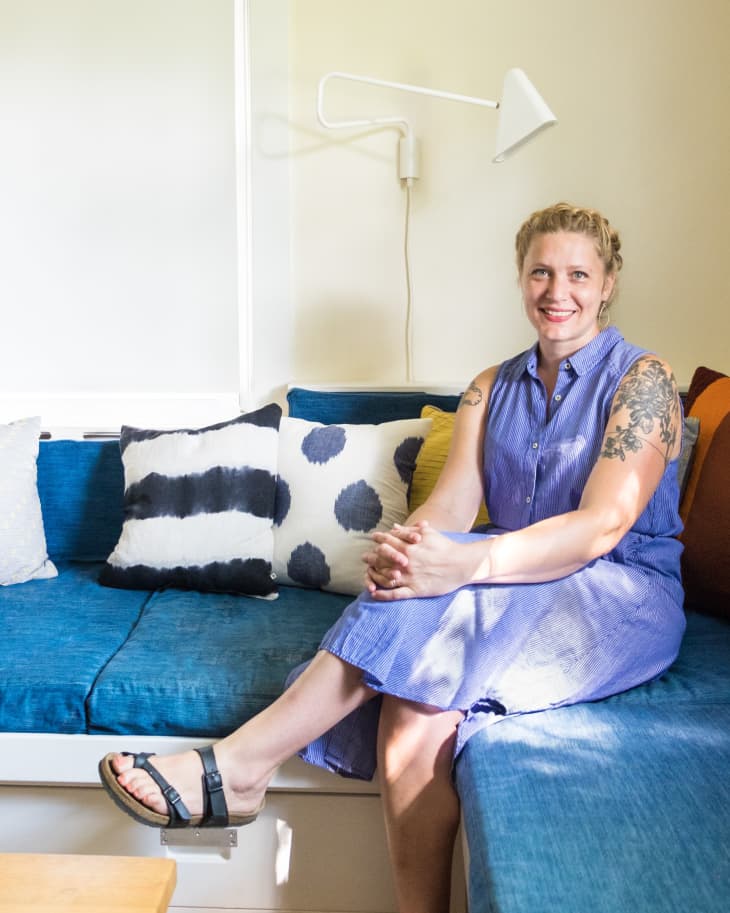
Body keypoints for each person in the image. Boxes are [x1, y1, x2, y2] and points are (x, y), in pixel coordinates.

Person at [99, 202, 686, 913]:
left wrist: (464, 564)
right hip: (511, 585)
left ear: (608, 283)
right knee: (413, 702)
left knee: (444, 591)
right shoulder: (490, 387)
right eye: (540, 272)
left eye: (577, 275)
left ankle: (241, 764)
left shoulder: (644, 381)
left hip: (618, 591)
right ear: (520, 277)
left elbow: (602, 526)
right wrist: (411, 551)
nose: (556, 291)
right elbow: (452, 507)